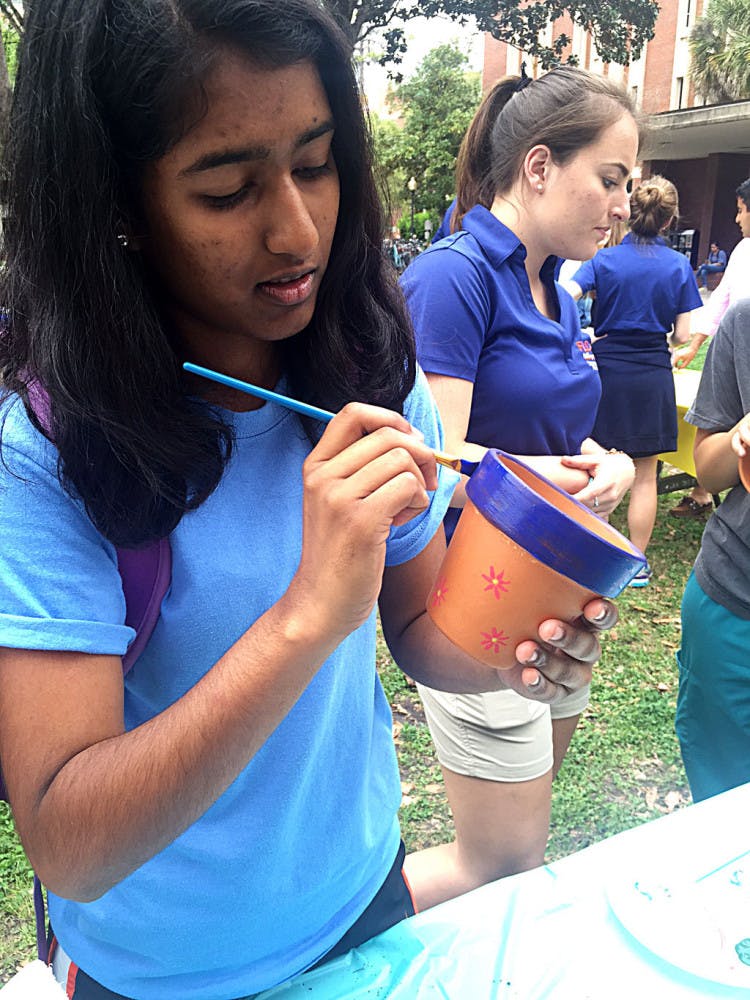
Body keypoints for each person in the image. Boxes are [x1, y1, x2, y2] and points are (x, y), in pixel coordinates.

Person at [0, 2, 616, 997]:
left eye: (317, 163)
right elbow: (69, 838)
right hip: (161, 978)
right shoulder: (46, 457)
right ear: (115, 203)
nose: (296, 230)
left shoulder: (365, 364)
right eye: (229, 188)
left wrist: (524, 625)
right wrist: (304, 617)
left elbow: (419, 623)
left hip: (362, 908)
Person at [399, 66, 637, 911]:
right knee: (497, 860)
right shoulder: (452, 278)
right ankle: (308, 943)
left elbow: (557, 434)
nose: (622, 206)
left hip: (557, 598)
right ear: (539, 167)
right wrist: (547, 479)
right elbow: (434, 464)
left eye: (630, 185)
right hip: (477, 600)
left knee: (521, 840)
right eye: (610, 179)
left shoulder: (558, 291)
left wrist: (605, 461)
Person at [567, 176, 703, 585]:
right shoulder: (679, 265)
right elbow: (682, 334)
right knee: (645, 474)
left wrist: (578, 335)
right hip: (651, 373)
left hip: (607, 370)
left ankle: (593, 553)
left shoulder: (603, 260)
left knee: (600, 464)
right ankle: (636, 562)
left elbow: (563, 293)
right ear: (668, 221)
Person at [676, 299, 750, 801]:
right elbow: (708, 468)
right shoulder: (745, 322)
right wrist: (737, 439)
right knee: (724, 806)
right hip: (734, 608)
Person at [669, 177, 750, 518]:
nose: (737, 218)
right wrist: (695, 344)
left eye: (741, 210)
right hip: (734, 351)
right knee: (717, 423)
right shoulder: (744, 250)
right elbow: (724, 301)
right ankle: (702, 492)